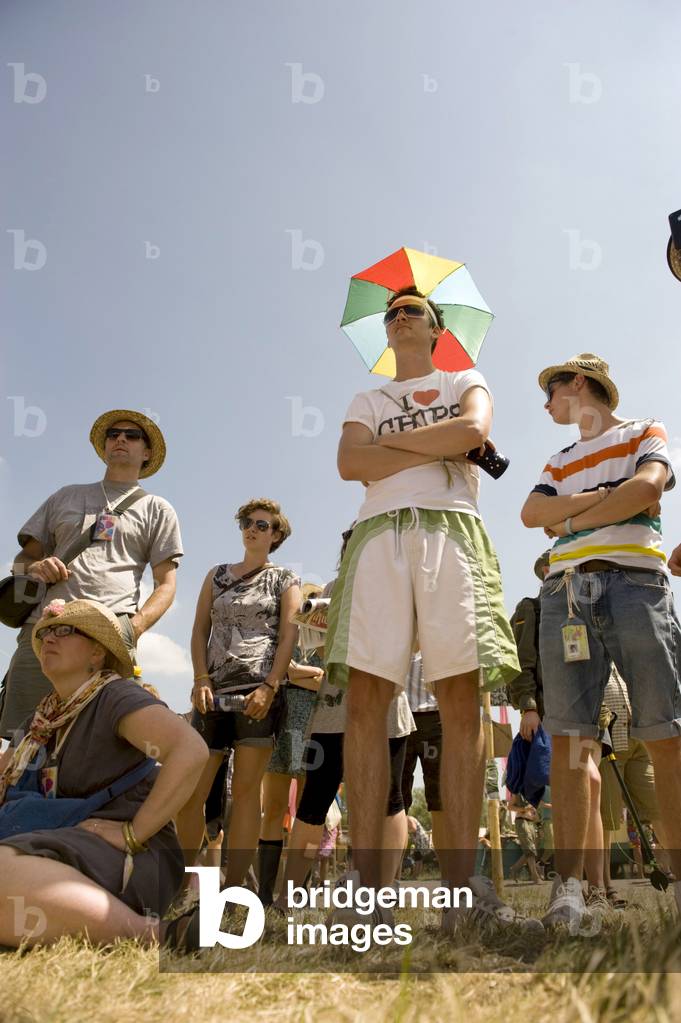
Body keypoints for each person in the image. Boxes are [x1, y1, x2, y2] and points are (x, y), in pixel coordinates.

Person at [325, 285, 533, 935]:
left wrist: (401, 451)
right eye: (391, 312)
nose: (398, 317)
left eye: (411, 309)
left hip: (452, 530)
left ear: (436, 327)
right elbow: (348, 462)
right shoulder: (367, 398)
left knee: (460, 697)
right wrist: (437, 444)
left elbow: (473, 430)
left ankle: (463, 890)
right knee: (366, 698)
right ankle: (367, 889)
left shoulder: (464, 379)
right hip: (377, 533)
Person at [521, 352, 681, 929]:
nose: (545, 404)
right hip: (565, 594)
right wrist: (607, 500)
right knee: (570, 742)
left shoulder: (646, 430)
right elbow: (531, 513)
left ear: (579, 383)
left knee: (665, 733)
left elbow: (649, 486)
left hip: (637, 584)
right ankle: (568, 891)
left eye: (551, 391)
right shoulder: (558, 458)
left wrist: (567, 520)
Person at [0, 598, 208, 947]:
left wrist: (133, 833)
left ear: (97, 653)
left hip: (131, 855)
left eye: (65, 630)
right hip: (55, 845)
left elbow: (191, 750)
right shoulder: (39, 721)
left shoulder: (114, 695)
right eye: (47, 632)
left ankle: (157, 934)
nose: (49, 637)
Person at [0, 409, 183, 738]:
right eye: (113, 434)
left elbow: (166, 584)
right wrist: (36, 567)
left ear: (147, 452)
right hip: (45, 629)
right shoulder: (66, 495)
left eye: (132, 435)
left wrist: (133, 628)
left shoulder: (158, 509)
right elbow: (22, 560)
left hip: (108, 634)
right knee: (21, 739)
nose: (120, 439)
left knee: (98, 744)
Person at [176, 498, 300, 891]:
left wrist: (270, 686)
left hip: (258, 692)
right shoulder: (216, 575)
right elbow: (199, 630)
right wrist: (200, 678)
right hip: (212, 691)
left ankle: (233, 892)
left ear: (276, 535)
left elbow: (290, 635)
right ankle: (185, 883)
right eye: (247, 522)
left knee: (246, 794)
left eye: (263, 525)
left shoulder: (286, 579)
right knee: (191, 793)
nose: (253, 529)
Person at [258, 629, 325, 906]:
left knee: (307, 813)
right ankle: (264, 892)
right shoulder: (281, 634)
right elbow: (276, 673)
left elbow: (327, 682)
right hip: (280, 719)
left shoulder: (326, 636)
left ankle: (299, 890)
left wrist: (295, 672)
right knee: (273, 808)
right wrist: (305, 674)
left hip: (315, 723)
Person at [401, 652, 445, 865]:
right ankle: (392, 876)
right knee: (397, 799)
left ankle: (449, 875)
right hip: (400, 716)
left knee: (439, 799)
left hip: (434, 717)